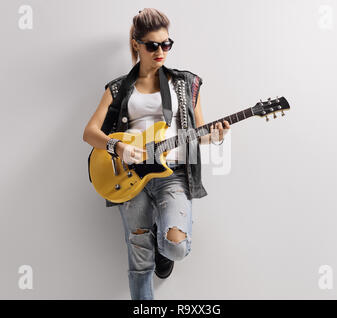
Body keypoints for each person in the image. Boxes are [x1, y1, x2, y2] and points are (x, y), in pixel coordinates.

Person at [83, 8, 230, 300]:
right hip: (130, 177)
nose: (161, 51)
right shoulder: (118, 88)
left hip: (171, 174)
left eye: (166, 44)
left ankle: (161, 243)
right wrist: (119, 147)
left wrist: (214, 136)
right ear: (137, 44)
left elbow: (199, 132)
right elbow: (89, 133)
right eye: (152, 45)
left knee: (176, 246)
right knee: (139, 260)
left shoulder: (185, 84)